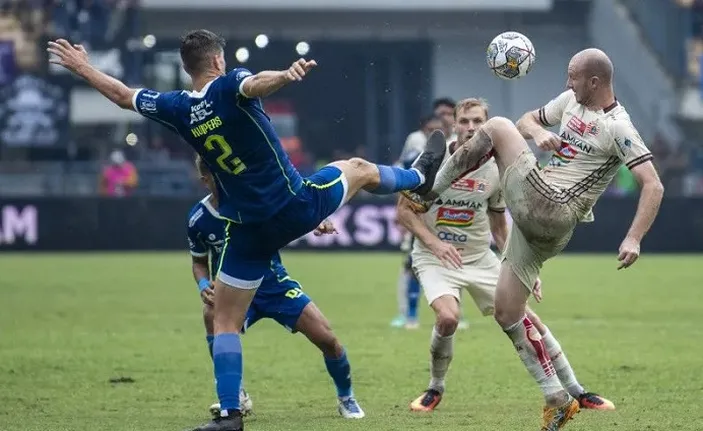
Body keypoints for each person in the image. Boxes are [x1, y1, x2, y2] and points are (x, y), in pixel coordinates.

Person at [47, 30, 446, 431]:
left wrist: (83, 67)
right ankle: (417, 176)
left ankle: (230, 415)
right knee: (357, 168)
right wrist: (287, 76)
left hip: (249, 229)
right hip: (295, 206)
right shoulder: (229, 84)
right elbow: (254, 83)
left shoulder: (175, 106)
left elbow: (122, 95)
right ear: (218, 62)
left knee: (223, 321)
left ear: (187, 68)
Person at [405, 49, 664, 430]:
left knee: (494, 126)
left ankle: (425, 189)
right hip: (541, 226)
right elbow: (528, 120)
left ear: (594, 81)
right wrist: (541, 133)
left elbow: (653, 185)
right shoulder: (569, 103)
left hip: (553, 204)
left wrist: (634, 238)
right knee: (509, 313)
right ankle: (557, 398)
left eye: (573, 76)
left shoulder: (619, 127)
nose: (567, 83)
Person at [397, 97, 613, 415]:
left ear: (486, 125)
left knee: (528, 319)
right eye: (465, 121)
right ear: (453, 123)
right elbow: (404, 212)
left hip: (479, 257)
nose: (471, 128)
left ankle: (577, 391)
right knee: (447, 317)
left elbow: (499, 223)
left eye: (478, 122)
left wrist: (522, 266)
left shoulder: (496, 165)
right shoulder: (432, 158)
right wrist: (434, 244)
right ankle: (435, 388)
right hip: (435, 257)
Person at [188, 156, 363, 421]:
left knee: (328, 339)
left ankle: (346, 397)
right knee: (211, 314)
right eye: (217, 176)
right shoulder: (199, 219)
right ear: (205, 180)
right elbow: (199, 262)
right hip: (234, 293)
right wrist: (203, 284)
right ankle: (235, 396)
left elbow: (291, 212)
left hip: (274, 286)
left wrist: (317, 219)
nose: (227, 180)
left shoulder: (254, 201)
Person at [391, 114, 442, 329]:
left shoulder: (455, 142)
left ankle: (454, 313)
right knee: (412, 264)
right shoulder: (417, 142)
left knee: (457, 261)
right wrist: (402, 212)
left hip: (447, 214)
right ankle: (410, 314)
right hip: (420, 212)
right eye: (431, 128)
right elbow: (404, 172)